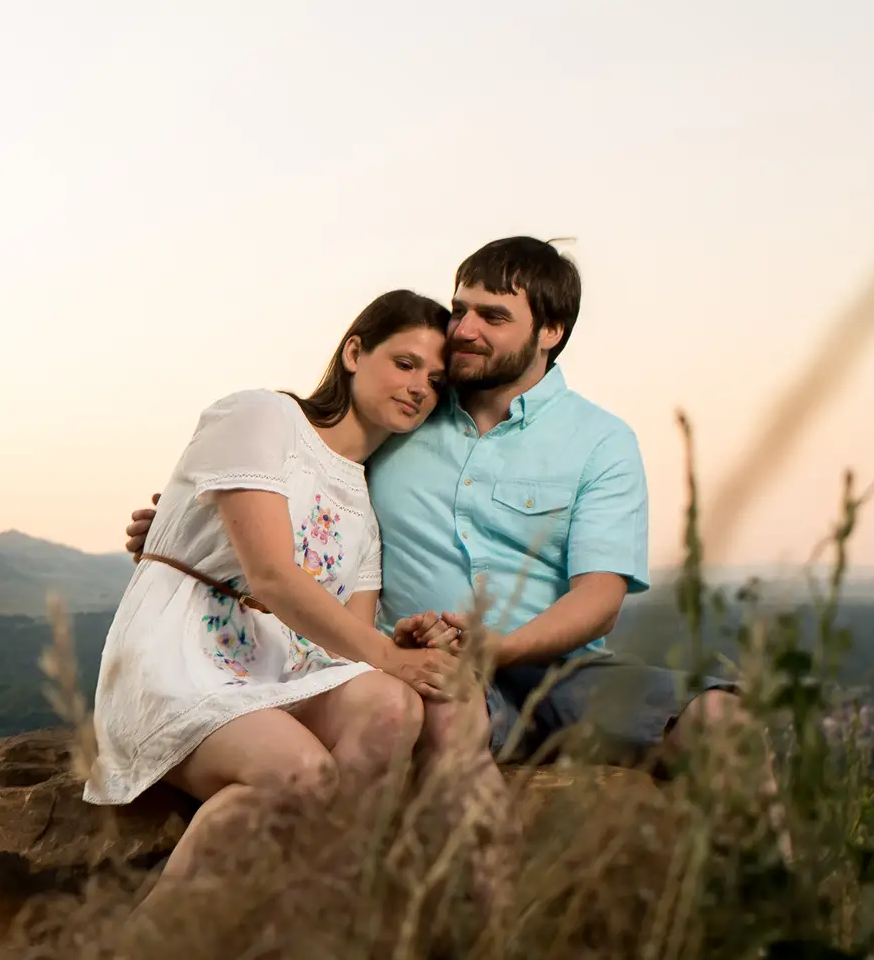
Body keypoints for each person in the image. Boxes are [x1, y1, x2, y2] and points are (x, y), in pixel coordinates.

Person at [125, 238, 737, 765]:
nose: (464, 330)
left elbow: (600, 599)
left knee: (722, 722)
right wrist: (200, 526)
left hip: (564, 672)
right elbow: (307, 483)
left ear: (550, 331)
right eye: (461, 309)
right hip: (429, 670)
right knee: (447, 727)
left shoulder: (601, 441)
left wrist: (500, 646)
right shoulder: (404, 414)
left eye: (492, 317)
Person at [87, 291, 496, 904]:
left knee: (393, 707)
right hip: (179, 659)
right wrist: (390, 658)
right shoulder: (261, 417)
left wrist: (396, 646)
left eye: (436, 381)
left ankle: (317, 912)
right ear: (354, 352)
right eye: (405, 364)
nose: (420, 388)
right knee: (303, 772)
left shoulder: (362, 505)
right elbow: (273, 576)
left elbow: (344, 648)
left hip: (275, 670)